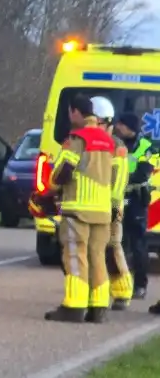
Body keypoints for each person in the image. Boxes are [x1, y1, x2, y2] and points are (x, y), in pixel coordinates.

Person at [42, 94, 116, 323]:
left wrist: (51, 188)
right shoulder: (108, 141)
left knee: (75, 255)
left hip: (79, 208)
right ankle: (99, 306)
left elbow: (64, 169)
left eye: (70, 112)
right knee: (97, 257)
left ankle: (74, 306)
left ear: (75, 112)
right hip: (102, 210)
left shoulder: (77, 138)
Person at [92, 97, 133, 310]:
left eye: (95, 120)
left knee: (112, 248)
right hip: (92, 206)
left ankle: (122, 292)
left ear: (105, 121)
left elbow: (119, 180)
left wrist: (115, 206)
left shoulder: (117, 147)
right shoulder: (88, 141)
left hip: (110, 206)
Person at [115, 113, 155, 303]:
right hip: (118, 198)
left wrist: (120, 178)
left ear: (128, 126)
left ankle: (140, 285)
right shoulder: (116, 143)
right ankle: (120, 283)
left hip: (136, 200)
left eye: (120, 124)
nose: (117, 128)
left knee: (138, 244)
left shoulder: (145, 146)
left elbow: (143, 173)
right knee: (117, 243)